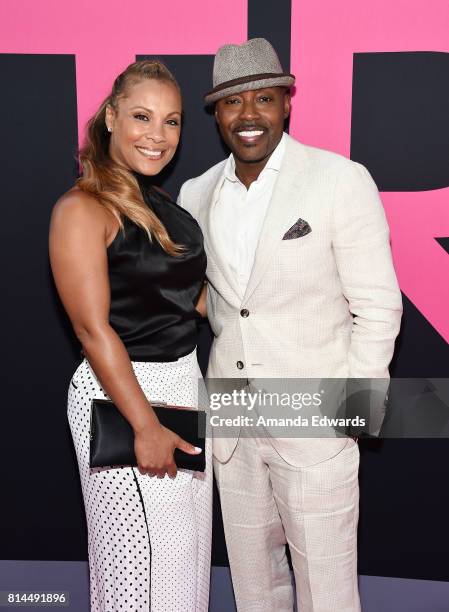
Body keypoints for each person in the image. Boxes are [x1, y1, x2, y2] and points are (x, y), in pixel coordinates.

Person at [178, 38, 402, 611]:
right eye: (232, 103)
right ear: (216, 113)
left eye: (264, 98)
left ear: (286, 104)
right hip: (233, 418)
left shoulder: (339, 179)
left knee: (328, 593)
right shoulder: (195, 193)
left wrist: (352, 411)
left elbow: (377, 307)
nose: (248, 115)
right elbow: (217, 300)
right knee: (255, 592)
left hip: (314, 421)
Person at [49, 60, 212, 612]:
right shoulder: (82, 208)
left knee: (183, 567)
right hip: (123, 395)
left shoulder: (161, 203)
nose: (158, 135)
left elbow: (187, 300)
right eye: (142, 117)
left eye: (172, 122)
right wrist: (145, 425)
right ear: (111, 117)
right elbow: (92, 331)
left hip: (184, 385)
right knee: (138, 573)